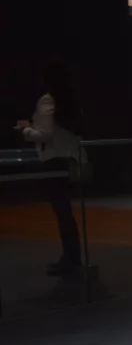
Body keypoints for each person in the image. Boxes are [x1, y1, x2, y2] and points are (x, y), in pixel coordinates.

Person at [15, 62, 83, 275]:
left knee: (62, 212)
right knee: (67, 213)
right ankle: (73, 257)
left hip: (55, 160)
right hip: (73, 159)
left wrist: (26, 130)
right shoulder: (71, 101)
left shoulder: (47, 100)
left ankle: (70, 259)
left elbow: (44, 134)